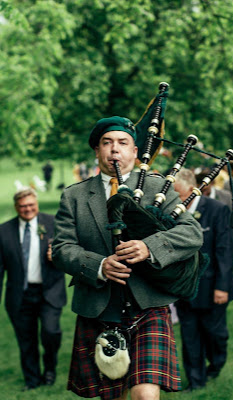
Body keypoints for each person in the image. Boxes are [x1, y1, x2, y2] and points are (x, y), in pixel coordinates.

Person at [52, 116, 203, 400]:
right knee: (115, 397)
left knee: (145, 395)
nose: (114, 150)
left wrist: (150, 247)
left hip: (148, 306)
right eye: (107, 143)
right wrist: (99, 265)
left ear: (135, 151)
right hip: (100, 308)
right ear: (96, 150)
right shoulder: (74, 196)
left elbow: (192, 234)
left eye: (123, 143)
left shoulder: (157, 187)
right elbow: (61, 248)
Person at [173, 169, 233, 391]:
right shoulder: (171, 214)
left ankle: (217, 362)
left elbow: (225, 251)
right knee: (190, 337)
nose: (175, 200)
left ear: (192, 190)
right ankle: (196, 381)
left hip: (213, 287)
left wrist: (222, 287)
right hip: (184, 289)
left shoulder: (217, 210)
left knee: (214, 334)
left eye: (178, 194)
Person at [0, 188, 66, 391]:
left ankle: (50, 368)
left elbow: (69, 254)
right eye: (23, 206)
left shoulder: (53, 223)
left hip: (50, 292)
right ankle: (32, 380)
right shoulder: (3, 231)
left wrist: (57, 257)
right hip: (19, 295)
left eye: (31, 205)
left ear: (36, 204)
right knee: (26, 340)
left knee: (50, 332)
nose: (28, 209)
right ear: (16, 207)